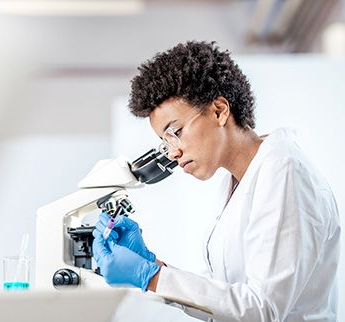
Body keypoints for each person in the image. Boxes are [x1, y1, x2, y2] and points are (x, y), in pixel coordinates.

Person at [92, 41, 340, 321]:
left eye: (175, 132)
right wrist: (154, 266)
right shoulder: (238, 181)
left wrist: (153, 277)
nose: (173, 152)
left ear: (220, 110)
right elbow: (224, 295)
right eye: (164, 142)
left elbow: (262, 309)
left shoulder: (284, 172)